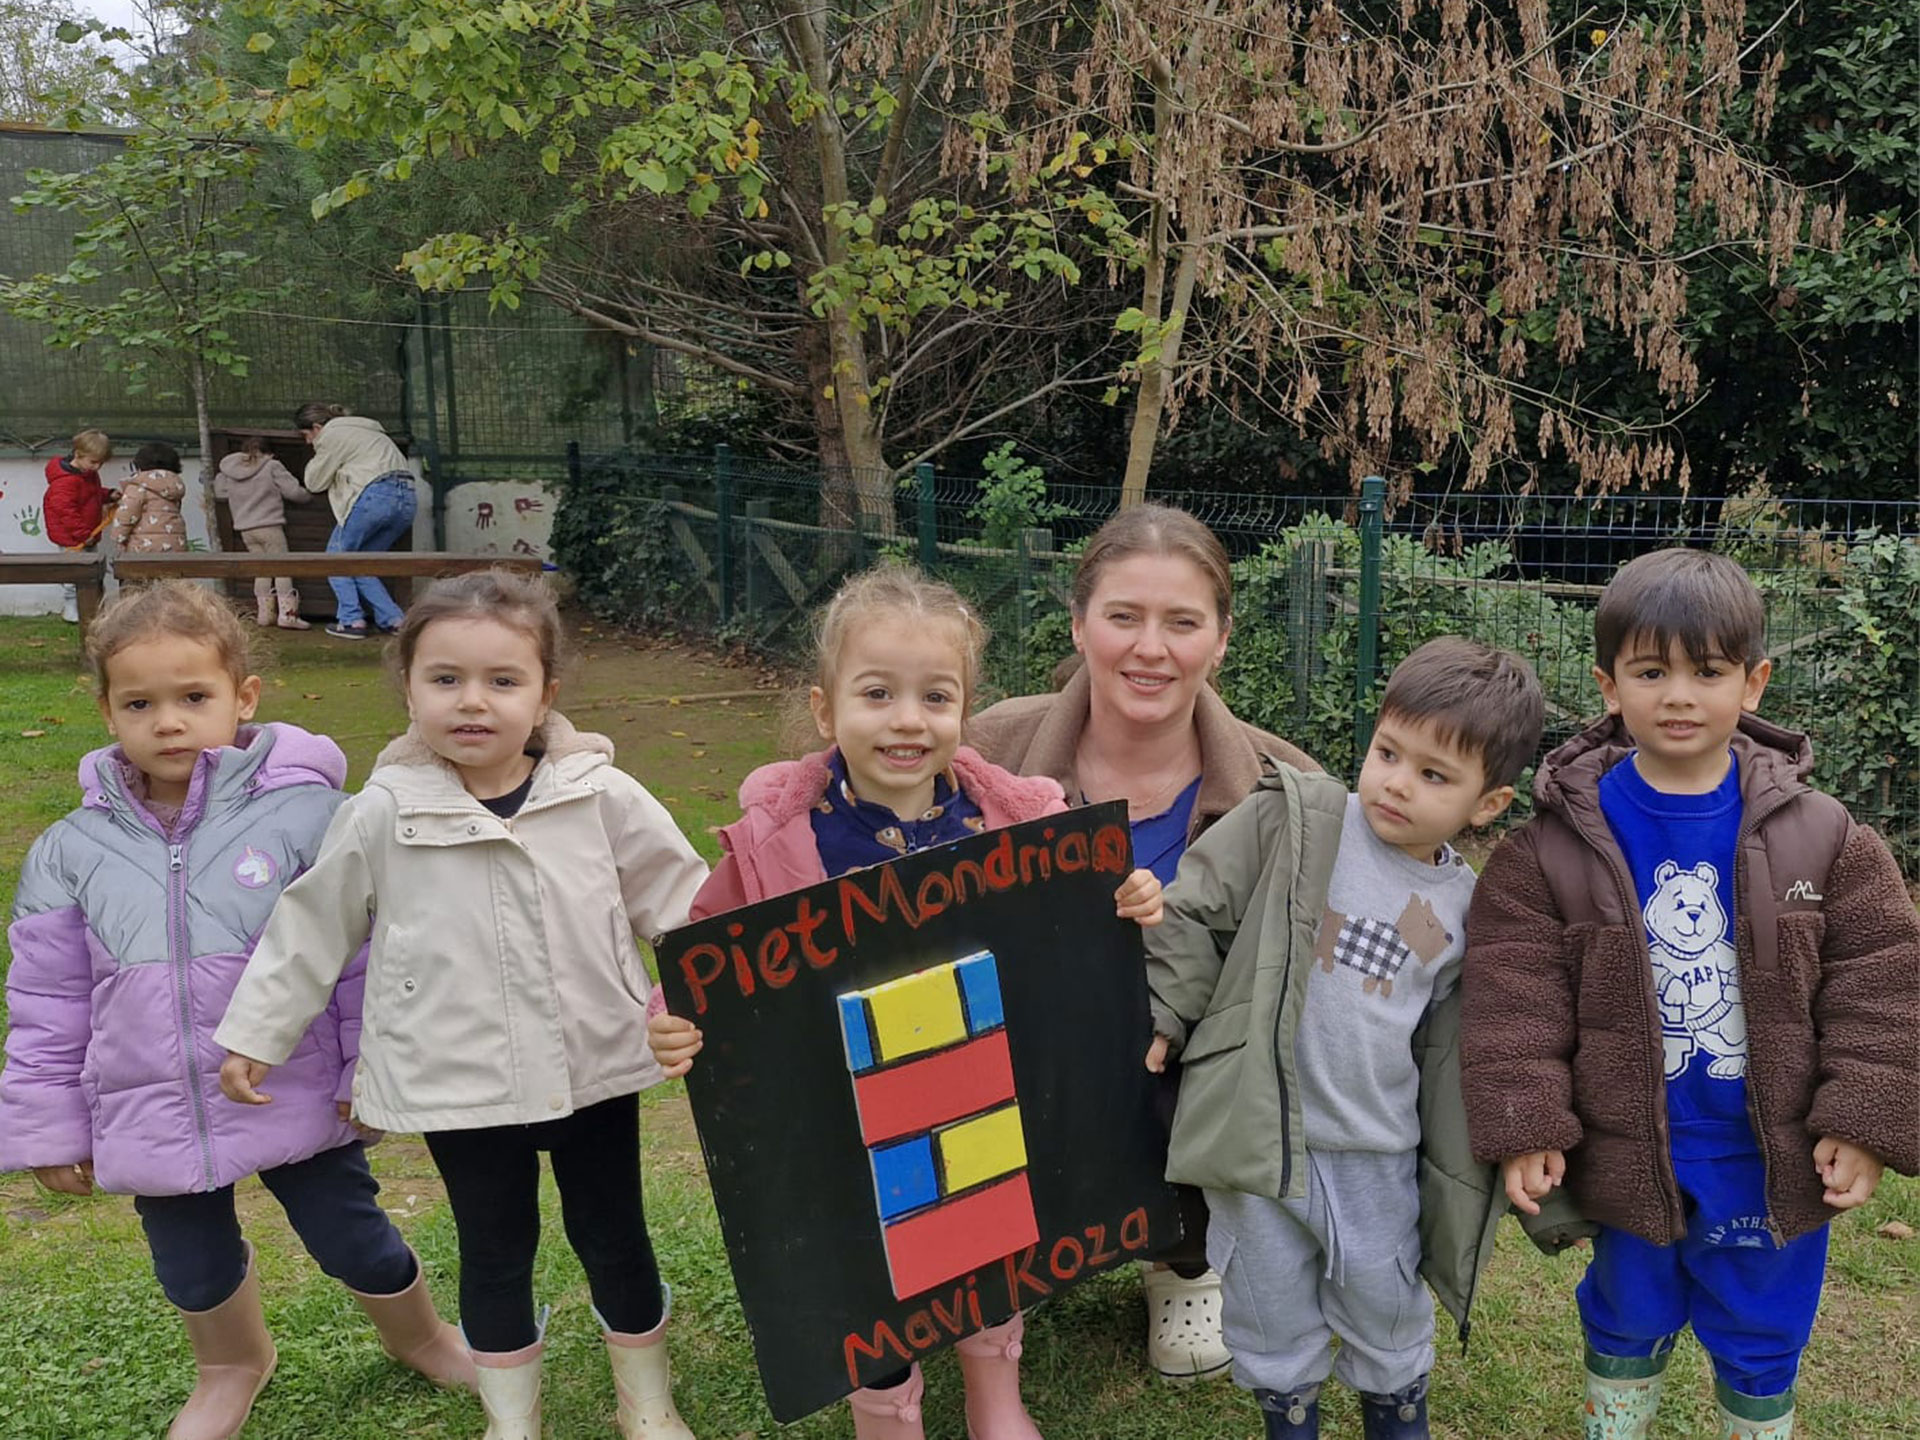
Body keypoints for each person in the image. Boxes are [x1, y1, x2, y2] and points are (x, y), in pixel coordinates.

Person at [646, 562, 1165, 1440]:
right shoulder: (777, 843)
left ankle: (996, 1392)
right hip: (842, 1108)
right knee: (865, 1263)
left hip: (977, 1082)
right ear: (826, 710)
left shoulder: (1016, 826)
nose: (907, 721)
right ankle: (887, 1413)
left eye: (935, 697)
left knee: (990, 1226)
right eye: (877, 694)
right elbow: (708, 948)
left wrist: (1127, 895)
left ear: (965, 711)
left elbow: (1076, 926)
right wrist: (673, 1013)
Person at [215, 568, 711, 1440]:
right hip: (460, 1084)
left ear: (545, 695)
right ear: (409, 689)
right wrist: (259, 1032)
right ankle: (510, 1420)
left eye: (503, 680)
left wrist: (713, 1000)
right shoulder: (381, 812)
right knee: (494, 1248)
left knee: (616, 1237)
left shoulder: (600, 795)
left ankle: (648, 1403)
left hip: (597, 1067)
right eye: (445, 679)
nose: (472, 701)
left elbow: (686, 909)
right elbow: (310, 928)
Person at [1461, 548, 1920, 1440]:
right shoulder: (1549, 849)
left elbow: (1883, 983)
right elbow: (1513, 998)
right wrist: (1527, 1121)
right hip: (1628, 1152)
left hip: (1771, 1156)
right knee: (1625, 1320)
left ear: (1753, 682)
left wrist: (1863, 1118)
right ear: (1609, 686)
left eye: (1707, 672)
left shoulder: (1826, 838)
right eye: (1650, 672)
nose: (1678, 695)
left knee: (1762, 1334)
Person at [0, 580, 472, 1440]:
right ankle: (231, 1364)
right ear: (107, 711)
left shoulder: (312, 818)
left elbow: (365, 957)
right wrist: (48, 1127)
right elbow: (46, 1004)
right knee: (191, 1265)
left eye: (193, 697)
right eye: (139, 703)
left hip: (297, 1086)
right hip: (150, 1105)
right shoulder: (69, 852)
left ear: (243, 697)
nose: (168, 723)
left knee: (354, 1237)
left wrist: (369, 1066)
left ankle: (423, 1336)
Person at [1144, 637, 1544, 1440]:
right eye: (1388, 753)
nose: (1397, 782)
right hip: (1259, 1144)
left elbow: (1470, 1039)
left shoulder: (1468, 909)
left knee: (1385, 1306)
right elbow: (1195, 911)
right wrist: (1167, 1013)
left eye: (1434, 775)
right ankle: (1289, 1415)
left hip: (1377, 1153)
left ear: (1488, 803)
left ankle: (1397, 1414)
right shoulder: (1296, 824)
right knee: (1267, 1309)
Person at [967, 503, 1318, 1382]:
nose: (1150, 648)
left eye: (1182, 623)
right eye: (1123, 616)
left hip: (1186, 1080)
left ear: (1222, 639)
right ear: (1079, 624)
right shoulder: (984, 748)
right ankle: (1010, 1238)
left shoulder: (1287, 789)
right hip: (1021, 1046)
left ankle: (1185, 1263)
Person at [293, 401, 418, 640]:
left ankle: (351, 620)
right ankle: (395, 620)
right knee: (362, 564)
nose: (308, 442)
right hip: (407, 498)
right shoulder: (371, 431)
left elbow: (314, 482)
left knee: (336, 559)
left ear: (317, 427)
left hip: (375, 496)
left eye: (306, 435)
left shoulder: (332, 434)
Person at [214, 435, 314, 629]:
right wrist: (308, 496)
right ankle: (288, 616)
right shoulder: (272, 466)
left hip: (245, 529)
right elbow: (293, 492)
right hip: (269, 526)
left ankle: (265, 616)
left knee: (262, 569)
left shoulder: (229, 470)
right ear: (270, 453)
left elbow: (220, 493)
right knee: (282, 567)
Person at [43, 428, 116, 622]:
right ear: (78, 455)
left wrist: (108, 495)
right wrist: (83, 534)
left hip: (87, 535)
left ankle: (92, 608)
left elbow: (91, 495)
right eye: (93, 462)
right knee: (73, 574)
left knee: (93, 571)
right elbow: (66, 512)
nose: (97, 467)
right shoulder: (65, 482)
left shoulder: (87, 474)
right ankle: (71, 609)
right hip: (72, 538)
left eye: (101, 463)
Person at [110, 441, 191, 555]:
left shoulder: (138, 487)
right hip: (176, 547)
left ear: (139, 465)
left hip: (145, 548)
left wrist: (118, 538)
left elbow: (126, 515)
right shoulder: (174, 487)